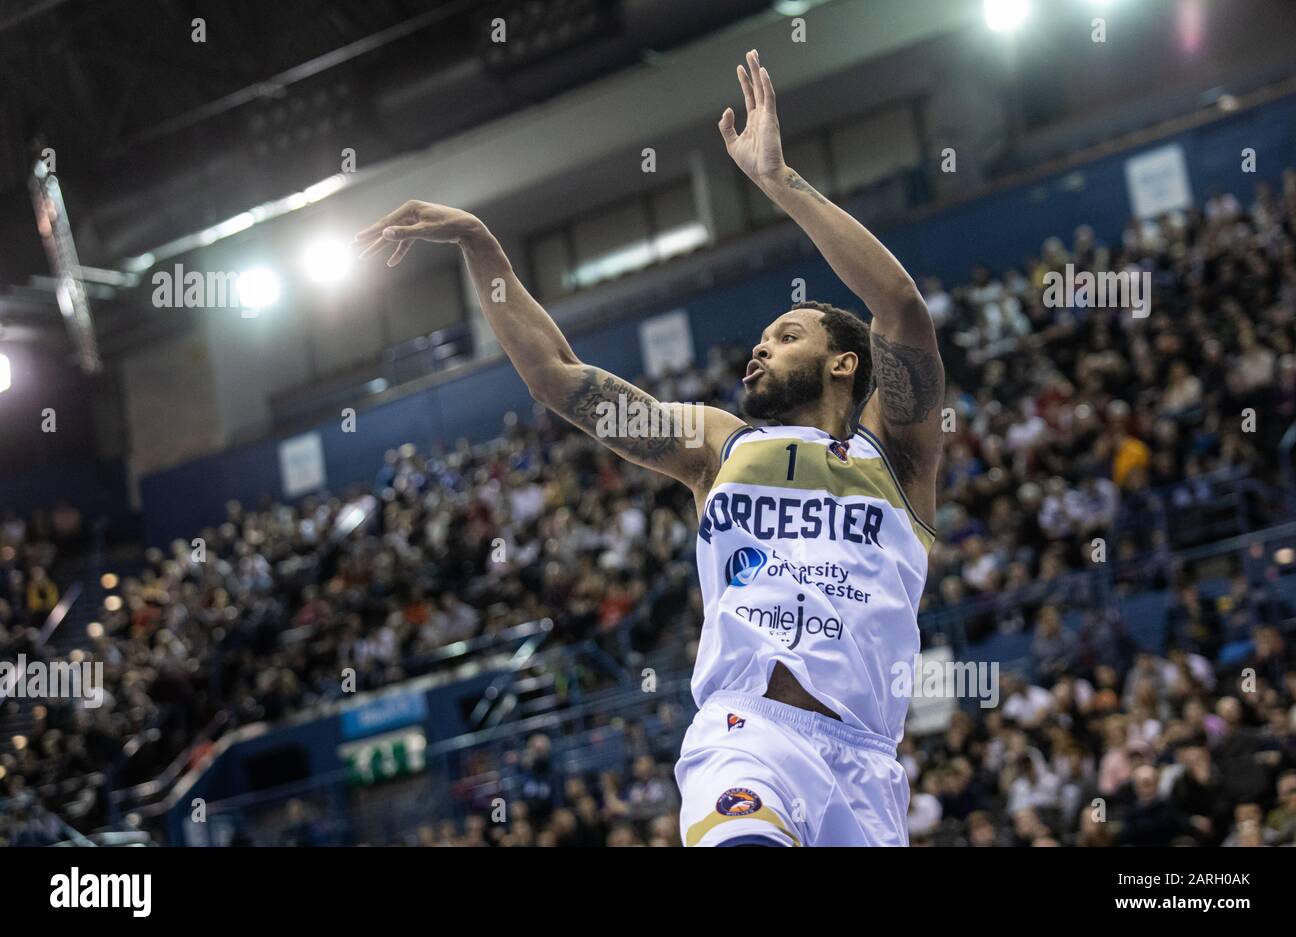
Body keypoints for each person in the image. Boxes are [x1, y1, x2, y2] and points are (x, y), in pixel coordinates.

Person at [353, 48, 942, 847]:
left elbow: (901, 309)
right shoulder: (716, 443)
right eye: (762, 339)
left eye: (787, 334)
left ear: (844, 362)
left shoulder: (898, 460)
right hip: (748, 735)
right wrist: (482, 248)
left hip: (867, 768)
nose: (760, 350)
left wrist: (778, 181)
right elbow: (562, 380)